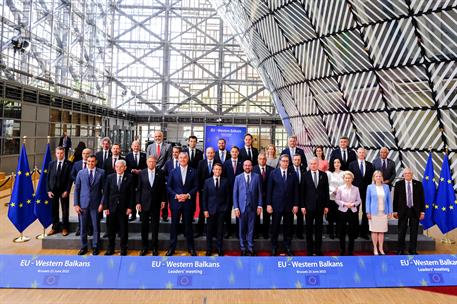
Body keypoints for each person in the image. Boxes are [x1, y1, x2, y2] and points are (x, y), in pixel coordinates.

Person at [166, 152, 198, 256]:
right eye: (180, 158)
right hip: (176, 202)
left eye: (184, 158)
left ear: (187, 159)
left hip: (188, 202)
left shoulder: (193, 171)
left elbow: (196, 186)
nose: (182, 159)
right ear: (178, 159)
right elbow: (169, 187)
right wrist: (176, 196)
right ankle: (172, 248)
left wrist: (187, 195)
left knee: (188, 226)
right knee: (174, 226)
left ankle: (191, 248)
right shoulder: (173, 171)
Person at [267, 154, 299, 256]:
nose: (285, 163)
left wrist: (295, 204)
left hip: (289, 206)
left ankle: (287, 247)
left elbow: (296, 191)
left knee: (288, 228)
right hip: (276, 205)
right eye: (283, 161)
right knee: (275, 228)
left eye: (287, 161)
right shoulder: (273, 173)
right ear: (280, 162)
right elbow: (269, 190)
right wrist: (268, 204)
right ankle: (274, 247)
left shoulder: (293, 174)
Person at [74, 155, 105, 255]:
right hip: (83, 205)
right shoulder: (81, 173)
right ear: (86, 162)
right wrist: (76, 204)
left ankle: (96, 247)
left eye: (92, 162)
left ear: (96, 162)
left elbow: (105, 191)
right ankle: (84, 247)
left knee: (96, 227)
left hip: (96, 205)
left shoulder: (101, 172)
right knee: (83, 227)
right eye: (88, 162)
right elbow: (76, 189)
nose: (90, 163)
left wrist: (102, 203)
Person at [136, 156, 167, 256]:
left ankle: (154, 247)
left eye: (153, 161)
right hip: (144, 204)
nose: (151, 163)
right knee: (144, 227)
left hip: (156, 203)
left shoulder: (161, 173)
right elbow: (139, 189)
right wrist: (138, 202)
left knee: (155, 227)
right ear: (146, 162)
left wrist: (163, 200)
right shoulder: (142, 173)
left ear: (156, 162)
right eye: (149, 161)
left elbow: (163, 188)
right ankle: (144, 247)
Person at [103, 160, 134, 256]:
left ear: (125, 167)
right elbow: (106, 193)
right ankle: (110, 248)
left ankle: (123, 248)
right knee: (111, 229)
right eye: (117, 167)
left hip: (124, 208)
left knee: (123, 230)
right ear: (114, 167)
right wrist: (106, 207)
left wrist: (130, 207)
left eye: (121, 167)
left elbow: (132, 194)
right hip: (111, 207)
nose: (119, 168)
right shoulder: (109, 177)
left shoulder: (130, 177)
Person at [233, 160, 262, 256]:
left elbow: (260, 193)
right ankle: (242, 248)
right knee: (241, 229)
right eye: (245, 165)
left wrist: (259, 205)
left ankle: (250, 247)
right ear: (243, 166)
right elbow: (235, 194)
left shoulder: (257, 177)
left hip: (253, 207)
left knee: (251, 228)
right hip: (241, 208)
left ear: (252, 167)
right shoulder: (238, 178)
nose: (247, 167)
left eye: (249, 165)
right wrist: (236, 208)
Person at [393, 168, 425, 255]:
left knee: (414, 231)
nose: (407, 175)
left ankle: (412, 249)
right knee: (401, 231)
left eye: (409, 173)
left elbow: (422, 199)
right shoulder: (398, 184)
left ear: (412, 174)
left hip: (415, 211)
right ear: (403, 175)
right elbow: (395, 199)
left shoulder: (418, 184)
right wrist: (395, 211)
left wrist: (422, 212)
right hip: (402, 211)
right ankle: (400, 250)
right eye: (406, 173)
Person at [302, 157, 330, 256]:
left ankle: (318, 250)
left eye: (315, 163)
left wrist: (326, 205)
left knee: (319, 229)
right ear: (309, 165)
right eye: (311, 164)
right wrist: (303, 206)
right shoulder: (305, 175)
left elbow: (326, 191)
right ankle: (309, 250)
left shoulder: (324, 175)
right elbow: (302, 192)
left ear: (318, 164)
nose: (313, 165)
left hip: (320, 206)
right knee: (309, 230)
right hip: (309, 207)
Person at [202, 163, 230, 256]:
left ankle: (219, 248)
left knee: (220, 231)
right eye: (216, 169)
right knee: (209, 231)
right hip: (210, 211)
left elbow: (228, 197)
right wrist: (205, 210)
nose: (217, 171)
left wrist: (226, 208)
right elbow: (204, 197)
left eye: (219, 169)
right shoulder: (207, 181)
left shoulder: (226, 181)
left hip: (221, 211)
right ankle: (209, 249)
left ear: (221, 171)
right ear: (213, 170)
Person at [348, 147, 374, 240]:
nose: (361, 154)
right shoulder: (352, 164)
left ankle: (364, 232)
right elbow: (349, 178)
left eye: (363, 152)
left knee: (365, 211)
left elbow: (372, 179)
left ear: (365, 154)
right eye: (360, 152)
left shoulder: (370, 165)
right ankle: (354, 232)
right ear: (357, 154)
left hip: (367, 191)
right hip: (355, 191)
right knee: (354, 211)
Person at [46, 146, 72, 236]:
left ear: (64, 153)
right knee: (54, 209)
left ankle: (65, 228)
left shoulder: (69, 164)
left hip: (64, 191)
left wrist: (67, 190)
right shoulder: (51, 164)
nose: (59, 155)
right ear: (55, 154)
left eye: (61, 153)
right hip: (53, 191)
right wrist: (48, 190)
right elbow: (48, 178)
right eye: (58, 153)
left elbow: (70, 179)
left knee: (65, 210)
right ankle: (55, 227)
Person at [335, 171, 361, 255]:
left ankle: (350, 251)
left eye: (349, 178)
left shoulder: (356, 188)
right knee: (342, 232)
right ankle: (342, 250)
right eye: (346, 178)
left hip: (352, 212)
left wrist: (353, 204)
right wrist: (345, 204)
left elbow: (359, 200)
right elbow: (337, 200)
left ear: (352, 179)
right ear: (343, 179)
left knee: (352, 232)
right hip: (342, 211)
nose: (347, 179)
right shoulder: (340, 188)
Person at [366, 170, 392, 255]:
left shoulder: (386, 187)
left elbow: (389, 200)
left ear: (382, 177)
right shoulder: (370, 187)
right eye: (376, 176)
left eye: (380, 176)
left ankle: (381, 248)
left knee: (381, 231)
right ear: (374, 177)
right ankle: (375, 248)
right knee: (374, 231)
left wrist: (390, 211)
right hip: (373, 213)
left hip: (383, 212)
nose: (378, 177)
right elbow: (368, 200)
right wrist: (368, 212)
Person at [195, 147, 217, 237]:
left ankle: (212, 232)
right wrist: (200, 189)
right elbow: (198, 177)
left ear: (214, 154)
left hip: (214, 192)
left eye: (211, 153)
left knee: (213, 211)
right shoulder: (201, 163)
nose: (210, 154)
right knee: (202, 211)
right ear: (205, 153)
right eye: (208, 153)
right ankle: (199, 231)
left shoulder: (217, 163)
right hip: (203, 191)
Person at [222, 146, 243, 238]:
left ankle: (239, 231)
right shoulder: (226, 163)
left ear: (238, 153)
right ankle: (228, 230)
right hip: (228, 191)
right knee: (227, 211)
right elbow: (223, 177)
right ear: (230, 153)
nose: (234, 153)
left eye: (236, 152)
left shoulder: (242, 163)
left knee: (239, 211)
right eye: (232, 152)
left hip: (240, 191)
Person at [71, 148, 93, 236]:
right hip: (80, 191)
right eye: (84, 153)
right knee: (80, 211)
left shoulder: (93, 164)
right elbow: (72, 174)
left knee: (90, 212)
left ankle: (89, 228)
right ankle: (80, 228)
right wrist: (78, 180)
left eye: (87, 153)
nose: (85, 155)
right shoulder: (77, 164)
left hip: (90, 192)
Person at [253, 152, 274, 239]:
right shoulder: (253, 169)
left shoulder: (271, 170)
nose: (262, 160)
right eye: (260, 159)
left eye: (264, 159)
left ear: (266, 160)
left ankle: (265, 233)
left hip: (268, 197)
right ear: (257, 160)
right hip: (256, 197)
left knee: (267, 216)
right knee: (256, 216)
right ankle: (256, 233)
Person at [125, 140, 147, 221]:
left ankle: (141, 215)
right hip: (131, 179)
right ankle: (133, 215)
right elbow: (126, 167)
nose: (136, 147)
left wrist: (141, 171)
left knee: (141, 196)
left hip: (142, 178)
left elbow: (146, 165)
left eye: (137, 146)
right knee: (132, 197)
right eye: (134, 146)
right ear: (132, 147)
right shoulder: (128, 156)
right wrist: (132, 170)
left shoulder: (144, 155)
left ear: (140, 147)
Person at [162, 145, 182, 222]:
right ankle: (165, 216)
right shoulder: (168, 163)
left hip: (180, 186)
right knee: (167, 201)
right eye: (173, 152)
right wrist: (170, 180)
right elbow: (165, 174)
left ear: (180, 153)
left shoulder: (183, 162)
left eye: (176, 152)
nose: (174, 154)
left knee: (178, 203)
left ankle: (179, 217)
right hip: (169, 186)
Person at [326, 158, 345, 239]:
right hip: (332, 198)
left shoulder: (344, 173)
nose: (336, 164)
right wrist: (333, 191)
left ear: (340, 164)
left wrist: (339, 191)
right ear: (332, 164)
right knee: (331, 217)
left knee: (339, 217)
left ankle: (338, 233)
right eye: (335, 162)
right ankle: (331, 233)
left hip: (341, 198)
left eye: (338, 162)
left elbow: (346, 183)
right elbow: (327, 185)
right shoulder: (329, 174)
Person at [291, 153, 306, 239]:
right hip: (291, 196)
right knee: (290, 217)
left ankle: (299, 233)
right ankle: (290, 233)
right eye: (295, 160)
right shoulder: (289, 169)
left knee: (300, 216)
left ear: (300, 161)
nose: (297, 161)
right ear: (293, 160)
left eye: (298, 160)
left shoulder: (304, 169)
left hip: (301, 195)